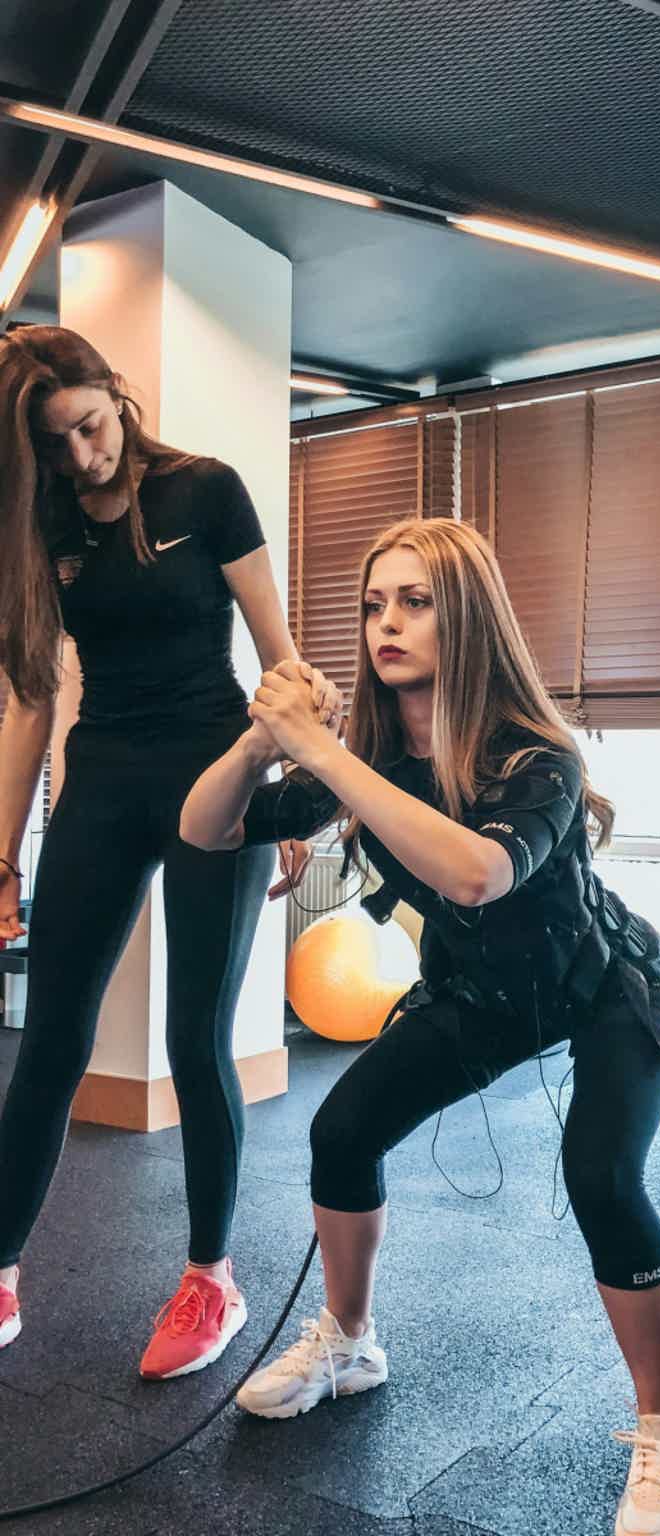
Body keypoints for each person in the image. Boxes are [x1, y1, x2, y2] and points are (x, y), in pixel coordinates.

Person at [181, 517, 660, 1536]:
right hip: (480, 993)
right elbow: (204, 829)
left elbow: (475, 869)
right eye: (374, 603)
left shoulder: (534, 754)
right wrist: (262, 738)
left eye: (414, 602)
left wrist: (324, 754)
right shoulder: (373, 752)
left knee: (601, 1177)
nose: (387, 622)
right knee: (341, 1132)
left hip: (607, 987)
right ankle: (350, 1337)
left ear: (463, 617)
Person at [0, 326, 340, 1381]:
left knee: (198, 1039)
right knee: (51, 1037)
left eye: (91, 428)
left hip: (217, 775)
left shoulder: (206, 491)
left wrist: (295, 800)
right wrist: (1, 853)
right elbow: (31, 700)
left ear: (117, 394)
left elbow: (281, 659)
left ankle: (210, 1277)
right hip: (100, 776)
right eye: (56, 445)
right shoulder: (41, 519)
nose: (84, 458)